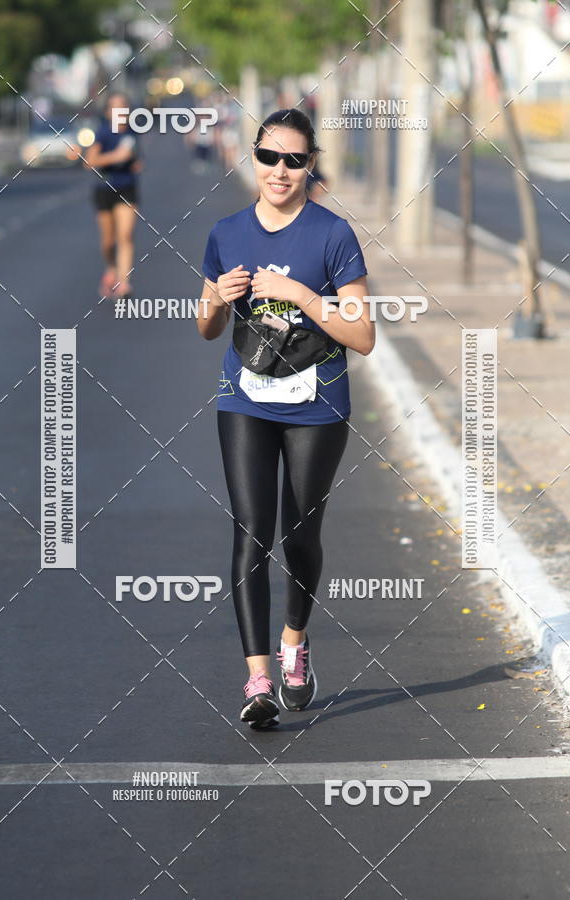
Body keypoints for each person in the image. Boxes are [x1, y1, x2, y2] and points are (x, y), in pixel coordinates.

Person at [196, 108, 375, 729]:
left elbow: (364, 335)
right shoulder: (225, 233)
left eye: (294, 160)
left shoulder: (333, 235)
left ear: (310, 166)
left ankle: (294, 645)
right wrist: (217, 298)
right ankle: (258, 681)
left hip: (316, 403)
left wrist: (302, 296)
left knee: (301, 535)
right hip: (244, 396)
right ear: (255, 158)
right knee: (252, 529)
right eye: (270, 157)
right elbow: (205, 326)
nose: (280, 171)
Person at [85, 92, 142, 298]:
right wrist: (115, 157)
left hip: (127, 187)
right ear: (109, 112)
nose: (121, 112)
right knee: (108, 242)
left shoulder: (133, 132)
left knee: (126, 235)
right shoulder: (102, 133)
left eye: (124, 107)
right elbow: (89, 162)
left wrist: (135, 163)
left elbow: (136, 158)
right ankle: (111, 268)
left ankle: (124, 282)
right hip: (104, 189)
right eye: (116, 108)